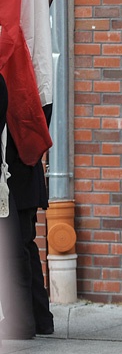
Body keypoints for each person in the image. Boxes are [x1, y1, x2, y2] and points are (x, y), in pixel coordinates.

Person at [0, 72, 54, 340]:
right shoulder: (21, 86)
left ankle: (22, 321)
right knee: (25, 246)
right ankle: (40, 317)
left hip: (16, 180)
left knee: (17, 249)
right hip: (24, 178)